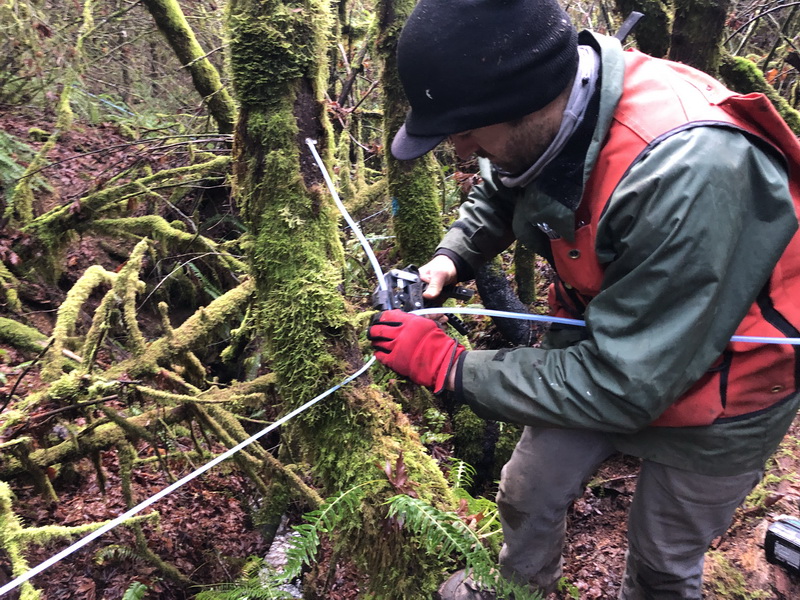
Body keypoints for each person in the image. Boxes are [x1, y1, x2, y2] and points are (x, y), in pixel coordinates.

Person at [366, 0, 800, 598]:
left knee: (663, 556)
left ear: (521, 102)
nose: (461, 151)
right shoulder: (558, 104)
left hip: (732, 386)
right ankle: (519, 588)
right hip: (611, 345)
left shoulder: (687, 170)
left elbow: (623, 386)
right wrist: (451, 258)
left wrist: (451, 367)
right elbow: (505, 185)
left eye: (466, 132)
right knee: (527, 490)